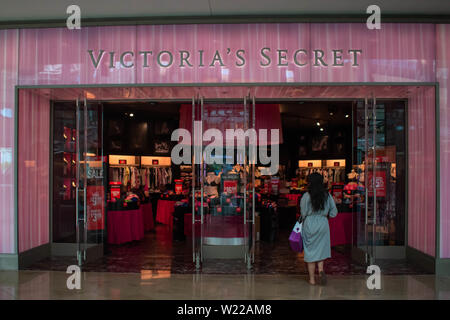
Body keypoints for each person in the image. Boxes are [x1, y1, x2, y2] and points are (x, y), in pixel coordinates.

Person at [300, 172, 338, 285]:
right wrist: (326, 215)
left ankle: (312, 280)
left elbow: (303, 213)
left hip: (309, 223)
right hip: (322, 223)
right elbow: (334, 212)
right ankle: (321, 270)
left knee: (310, 251)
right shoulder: (327, 195)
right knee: (321, 249)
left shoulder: (306, 196)